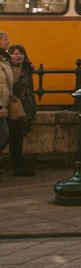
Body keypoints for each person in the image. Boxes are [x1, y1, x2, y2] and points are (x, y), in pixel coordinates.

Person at [6, 43, 37, 177]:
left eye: (21, 53)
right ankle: (19, 166)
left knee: (17, 137)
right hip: (15, 106)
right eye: (15, 53)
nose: (18, 56)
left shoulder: (27, 68)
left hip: (26, 106)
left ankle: (19, 165)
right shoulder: (10, 69)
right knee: (13, 137)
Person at [0, 31, 13, 176]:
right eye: (5, 39)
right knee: (4, 134)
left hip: (3, 105)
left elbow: (10, 82)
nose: (8, 42)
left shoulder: (3, 59)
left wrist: (14, 65)